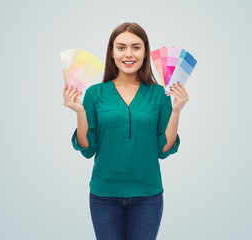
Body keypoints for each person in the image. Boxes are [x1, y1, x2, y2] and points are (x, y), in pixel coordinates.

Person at [63, 22, 189, 240]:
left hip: (148, 195)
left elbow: (164, 149)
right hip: (104, 195)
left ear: (145, 52)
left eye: (136, 47)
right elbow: (87, 148)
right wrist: (80, 112)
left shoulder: (159, 94)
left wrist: (176, 110)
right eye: (121, 47)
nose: (128, 54)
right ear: (111, 52)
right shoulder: (95, 93)